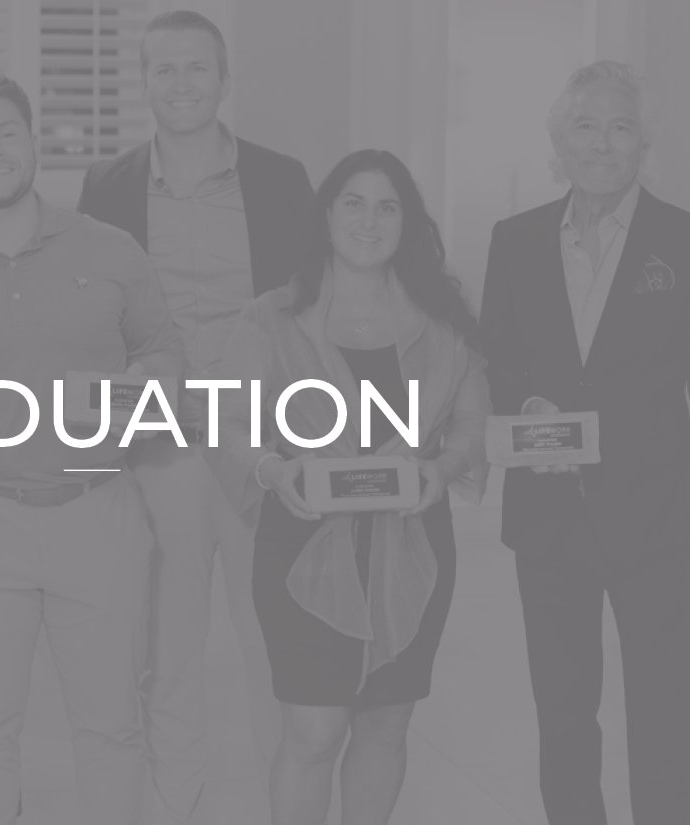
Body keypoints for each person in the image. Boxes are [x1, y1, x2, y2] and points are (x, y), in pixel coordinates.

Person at [0, 71, 184, 825]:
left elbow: (162, 347)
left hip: (99, 509)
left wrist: (150, 388)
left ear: (33, 138)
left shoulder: (112, 249)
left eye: (5, 131)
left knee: (112, 727)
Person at [77, 12, 314, 822]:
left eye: (197, 69)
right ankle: (176, 809)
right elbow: (95, 322)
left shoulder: (283, 179)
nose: (181, 84)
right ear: (144, 82)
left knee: (278, 651)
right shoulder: (105, 188)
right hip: (161, 451)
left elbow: (312, 312)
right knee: (169, 656)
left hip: (262, 448)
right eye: (164, 70)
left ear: (223, 78)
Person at [208, 150, 489, 825]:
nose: (370, 219)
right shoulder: (270, 318)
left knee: (386, 724)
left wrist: (441, 471)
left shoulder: (445, 321)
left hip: (414, 545)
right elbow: (228, 424)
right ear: (326, 216)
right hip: (301, 543)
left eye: (388, 205)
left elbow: (470, 428)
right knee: (313, 732)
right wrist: (276, 471)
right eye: (353, 203)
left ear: (409, 222)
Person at [480, 61, 690, 825]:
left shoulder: (683, 240)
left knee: (665, 711)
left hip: (660, 518)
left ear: (645, 145)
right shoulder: (516, 239)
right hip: (552, 516)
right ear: (558, 143)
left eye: (621, 125)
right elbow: (496, 357)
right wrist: (525, 402)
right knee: (564, 713)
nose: (602, 143)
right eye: (585, 125)